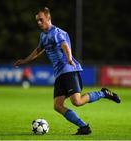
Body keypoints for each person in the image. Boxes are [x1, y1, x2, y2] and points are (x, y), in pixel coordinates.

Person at [13, 7, 121, 135]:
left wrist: (69, 58)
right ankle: (84, 127)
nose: (39, 23)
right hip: (59, 74)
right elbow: (38, 50)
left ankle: (103, 94)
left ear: (48, 18)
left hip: (68, 70)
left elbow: (65, 45)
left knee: (77, 101)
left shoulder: (57, 32)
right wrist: (25, 61)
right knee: (57, 106)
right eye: (37, 21)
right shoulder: (43, 35)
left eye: (41, 20)